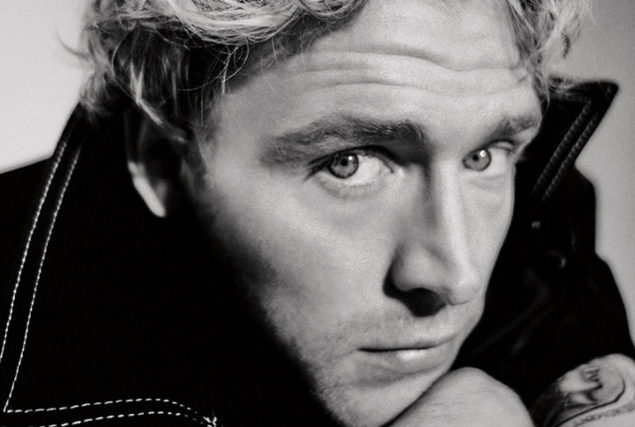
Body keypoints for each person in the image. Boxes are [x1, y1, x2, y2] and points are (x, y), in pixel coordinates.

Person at [0, 0, 633, 426]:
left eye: (484, 156)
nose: (457, 277)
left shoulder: (544, 232)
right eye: (349, 163)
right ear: (165, 163)